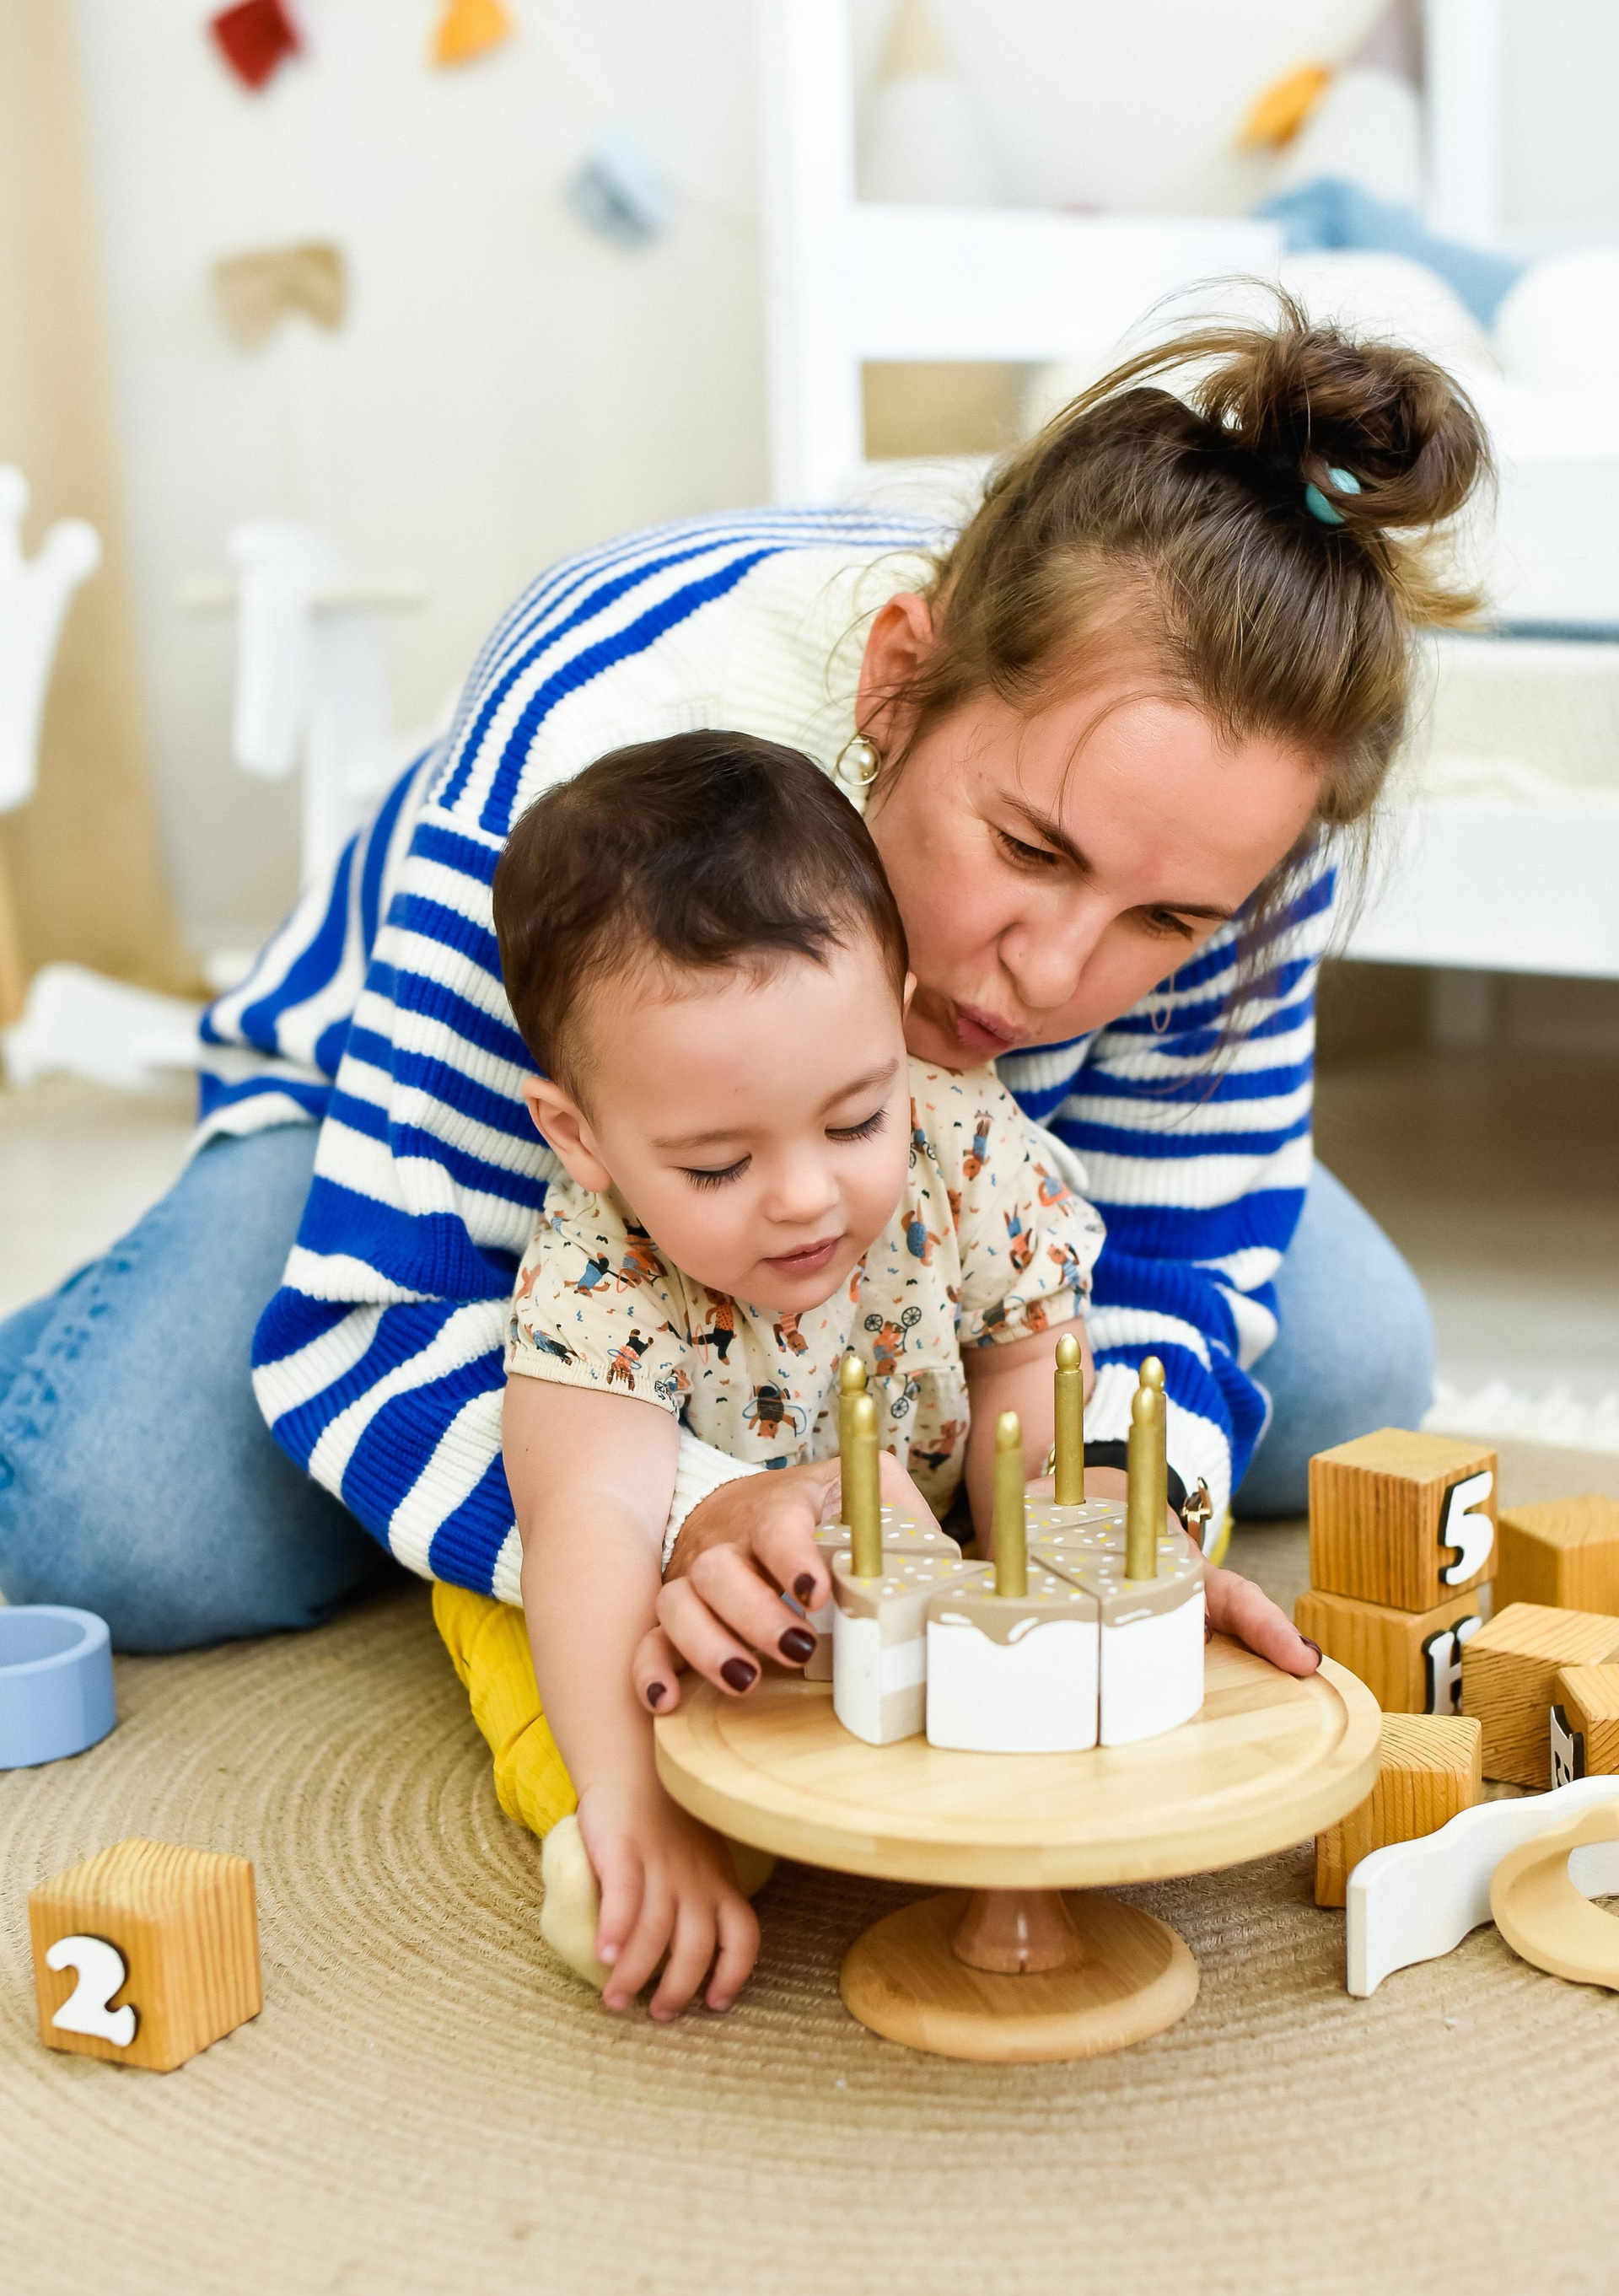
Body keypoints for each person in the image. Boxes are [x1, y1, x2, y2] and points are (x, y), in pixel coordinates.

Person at [0, 303, 1486, 1657]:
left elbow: (1162, 1260)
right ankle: (574, 1435)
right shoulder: (600, 714)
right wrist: (681, 1514)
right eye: (1030, 849)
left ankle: (666, 1429)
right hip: (461, 1126)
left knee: (1353, 1368)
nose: (1048, 975)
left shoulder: (1244, 827)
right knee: (127, 1523)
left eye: (1164, 920)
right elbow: (390, 1301)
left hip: (957, 1191)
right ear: (896, 683)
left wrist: (1106, 1530)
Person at [496, 728, 1108, 2015]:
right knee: (569, 1701)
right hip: (653, 1588)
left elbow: (1034, 1384)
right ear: (579, 1134)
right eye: (718, 1165)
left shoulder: (965, 1148)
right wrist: (631, 1797)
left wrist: (1057, 1578)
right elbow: (585, 1520)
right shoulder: (600, 1261)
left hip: (885, 1561)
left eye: (855, 1117)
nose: (806, 1197)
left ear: (898, 1020)